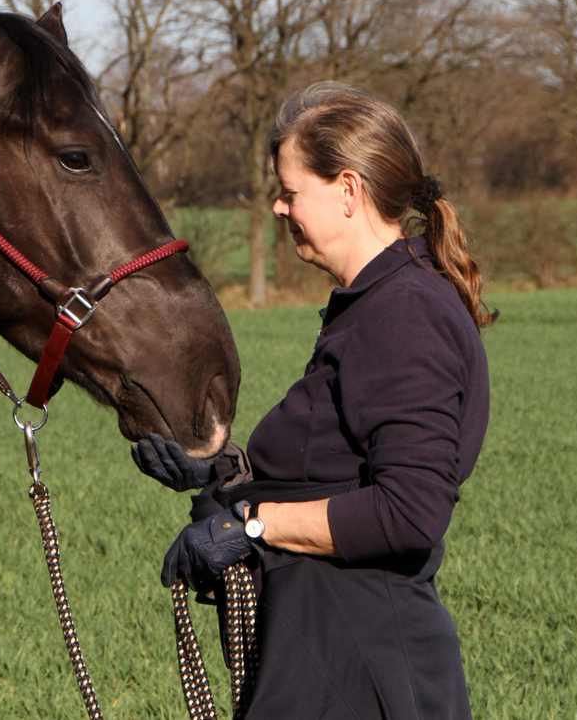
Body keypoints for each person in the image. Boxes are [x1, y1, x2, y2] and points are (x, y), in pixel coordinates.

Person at [133, 82, 493, 719]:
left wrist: (251, 525)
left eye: (291, 190)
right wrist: (226, 478)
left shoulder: (406, 313)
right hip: (326, 653)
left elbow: (409, 513)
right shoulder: (373, 305)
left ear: (348, 192)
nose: (278, 206)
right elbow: (331, 467)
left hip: (361, 664)